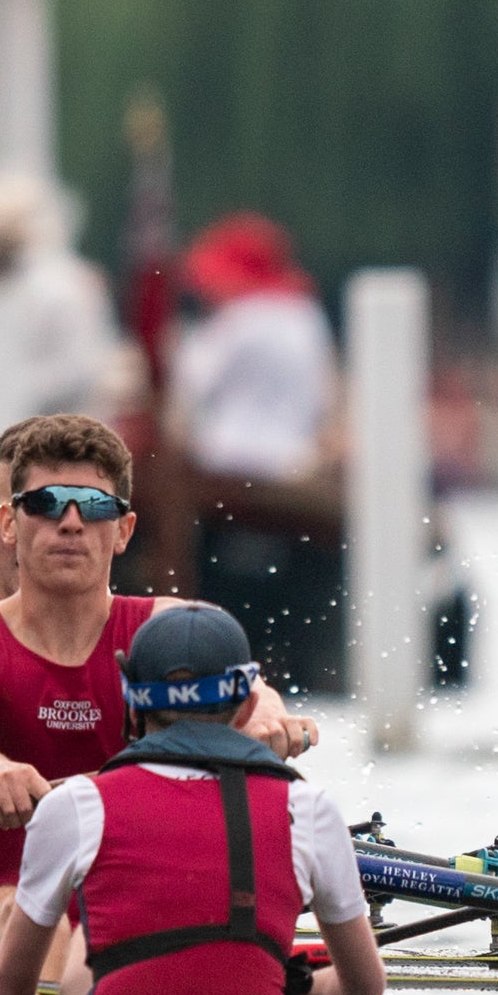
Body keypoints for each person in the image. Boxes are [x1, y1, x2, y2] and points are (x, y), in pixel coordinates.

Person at [0, 409, 301, 989]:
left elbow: (255, 694)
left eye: (95, 507)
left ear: (124, 530)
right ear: (9, 522)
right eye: (48, 504)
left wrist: (272, 722)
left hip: (137, 907)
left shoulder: (169, 628)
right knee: (20, 918)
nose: (72, 524)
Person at [0, 600, 383, 995]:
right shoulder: (311, 807)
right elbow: (365, 987)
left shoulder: (73, 804)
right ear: (247, 707)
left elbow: (9, 989)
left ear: (133, 708)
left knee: (78, 960)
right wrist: (311, 990)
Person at [172, 212, 348, 689]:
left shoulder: (238, 321)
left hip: (227, 466)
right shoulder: (306, 317)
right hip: (295, 464)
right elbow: (322, 399)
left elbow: (189, 383)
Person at [0, 175, 120, 435]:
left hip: (61, 434)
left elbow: (81, 367)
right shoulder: (6, 288)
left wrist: (18, 390)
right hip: (24, 429)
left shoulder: (58, 287)